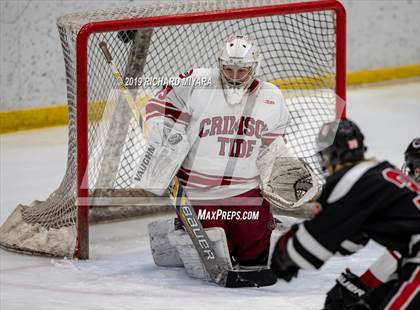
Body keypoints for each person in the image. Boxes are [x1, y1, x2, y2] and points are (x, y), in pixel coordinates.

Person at [142, 35, 316, 276]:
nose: (234, 76)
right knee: (207, 264)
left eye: (242, 71)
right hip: (198, 191)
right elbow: (160, 104)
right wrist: (163, 128)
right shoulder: (197, 81)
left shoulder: (271, 97)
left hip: (246, 191)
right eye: (228, 69)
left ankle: (251, 229)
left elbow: (272, 143)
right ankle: (179, 227)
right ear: (219, 64)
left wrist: (281, 167)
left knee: (253, 259)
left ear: (254, 68)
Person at [270, 119, 420, 309]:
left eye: (324, 155)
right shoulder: (380, 170)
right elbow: (353, 242)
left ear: (330, 155)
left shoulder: (349, 181)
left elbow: (310, 246)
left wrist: (283, 254)